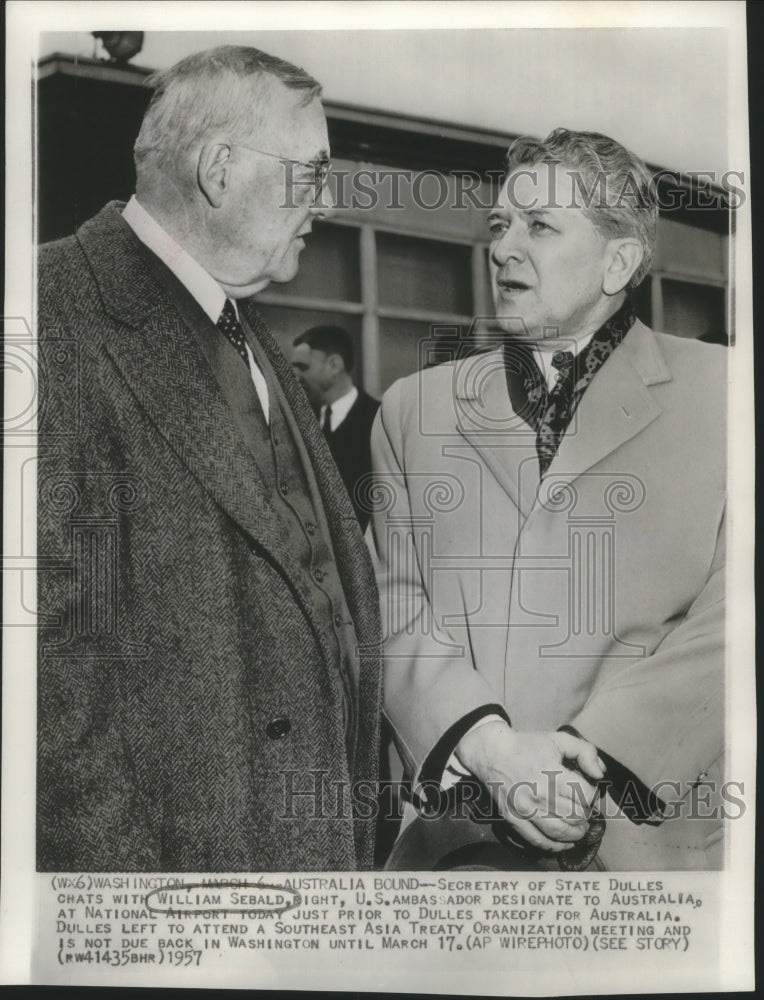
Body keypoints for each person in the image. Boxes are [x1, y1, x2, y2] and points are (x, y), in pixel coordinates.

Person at [36, 45, 382, 872]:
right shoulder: (44, 313)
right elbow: (47, 684)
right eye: (312, 173)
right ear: (220, 170)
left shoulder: (252, 334)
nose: (326, 202)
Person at [369, 128, 726, 870]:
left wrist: (590, 764)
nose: (502, 248)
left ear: (618, 261)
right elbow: (391, 604)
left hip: (643, 847)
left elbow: (739, 614)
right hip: (456, 846)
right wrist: (494, 753)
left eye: (539, 226)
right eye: (499, 225)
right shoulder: (412, 410)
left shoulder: (728, 397)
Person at [292, 325, 380, 530]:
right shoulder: (298, 421)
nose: (294, 376)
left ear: (334, 365)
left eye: (303, 367)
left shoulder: (379, 420)